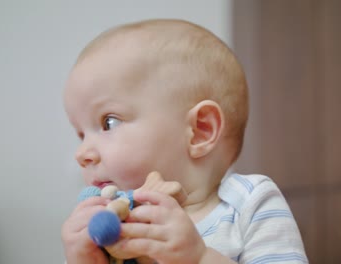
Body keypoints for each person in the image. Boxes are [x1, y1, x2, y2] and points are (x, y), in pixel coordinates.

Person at [61, 19, 307, 264]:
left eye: (109, 122)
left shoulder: (248, 203)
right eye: (81, 134)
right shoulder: (113, 235)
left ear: (201, 130)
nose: (82, 153)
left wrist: (199, 257)